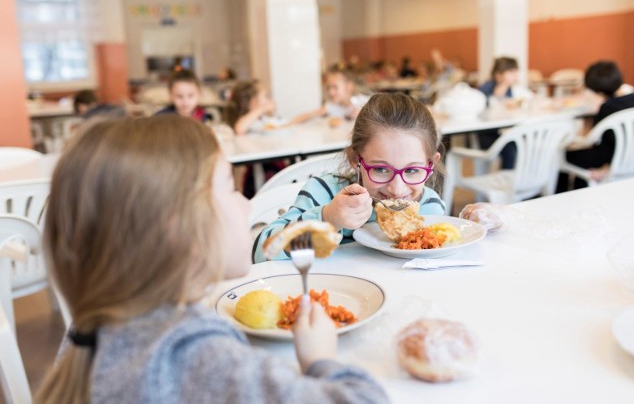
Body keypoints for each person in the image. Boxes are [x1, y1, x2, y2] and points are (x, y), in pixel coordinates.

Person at [35, 115, 389, 404]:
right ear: (181, 228)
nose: (248, 204)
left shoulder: (92, 328)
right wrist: (320, 361)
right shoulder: (195, 357)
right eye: (231, 188)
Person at [253, 92, 446, 263]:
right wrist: (327, 219)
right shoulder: (324, 193)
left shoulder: (429, 207)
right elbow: (263, 253)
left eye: (412, 171)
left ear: (431, 164)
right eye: (380, 169)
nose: (397, 189)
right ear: (355, 159)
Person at [556, 60, 634, 192]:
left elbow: (596, 142)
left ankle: (566, 195)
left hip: (611, 158)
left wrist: (607, 166)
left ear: (599, 93)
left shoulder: (607, 108)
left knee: (564, 154)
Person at [476, 57, 532, 169]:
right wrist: (502, 87)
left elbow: (529, 98)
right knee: (510, 149)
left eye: (516, 72)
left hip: (502, 131)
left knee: (519, 143)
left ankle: (514, 175)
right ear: (499, 74)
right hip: (486, 133)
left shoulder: (512, 89)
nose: (515, 76)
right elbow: (485, 111)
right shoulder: (486, 88)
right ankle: (506, 175)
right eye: (511, 72)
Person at [292, 66, 368, 127]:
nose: (331, 92)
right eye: (329, 88)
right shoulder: (332, 106)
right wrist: (286, 125)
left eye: (335, 87)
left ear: (349, 86)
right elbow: (309, 115)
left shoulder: (365, 103)